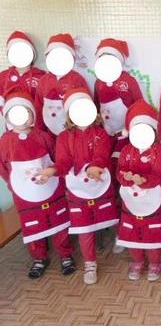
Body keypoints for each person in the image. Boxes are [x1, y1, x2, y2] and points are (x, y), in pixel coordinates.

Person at [40, 88, 118, 285]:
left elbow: (102, 154)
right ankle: (90, 263)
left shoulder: (101, 133)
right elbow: (64, 161)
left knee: (109, 212)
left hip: (99, 183)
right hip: (77, 189)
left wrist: (95, 166)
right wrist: (53, 170)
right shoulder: (64, 137)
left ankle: (122, 237)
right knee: (83, 226)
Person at [0, 88, 75, 278]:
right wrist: (12, 184)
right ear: (8, 117)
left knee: (58, 220)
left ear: (31, 116)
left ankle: (65, 253)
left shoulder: (43, 137)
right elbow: (3, 167)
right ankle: (39, 257)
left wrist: (55, 174)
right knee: (32, 225)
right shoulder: (5, 142)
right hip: (25, 193)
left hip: (51, 188)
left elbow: (56, 159)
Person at [116, 100, 161, 281]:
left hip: (151, 200)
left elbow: (158, 175)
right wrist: (127, 178)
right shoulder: (126, 151)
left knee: (152, 232)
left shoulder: (158, 151)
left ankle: (154, 262)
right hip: (130, 202)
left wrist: (143, 180)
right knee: (131, 230)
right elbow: (119, 172)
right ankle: (137, 261)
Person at [35, 33, 89, 136]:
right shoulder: (43, 81)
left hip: (73, 132)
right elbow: (38, 107)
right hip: (48, 131)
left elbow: (86, 104)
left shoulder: (77, 79)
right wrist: (39, 131)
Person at [0, 31, 45, 114]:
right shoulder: (3, 76)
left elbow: (46, 101)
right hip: (12, 123)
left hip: (36, 123)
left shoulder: (42, 76)